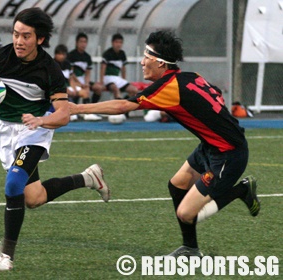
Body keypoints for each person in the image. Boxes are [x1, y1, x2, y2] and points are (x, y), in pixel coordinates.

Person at [70, 30, 260, 257]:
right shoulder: (191, 76)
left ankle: (241, 190)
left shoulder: (170, 87)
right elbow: (216, 93)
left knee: (186, 213)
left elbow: (123, 106)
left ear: (160, 62)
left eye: (146, 57)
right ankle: (190, 248)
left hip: (228, 154)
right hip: (211, 146)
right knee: (177, 184)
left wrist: (78, 108)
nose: (141, 62)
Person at [0, 7, 110, 271]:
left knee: (13, 186)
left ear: (40, 39)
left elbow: (64, 114)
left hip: (35, 130)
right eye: (16, 34)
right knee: (34, 198)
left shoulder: (50, 70)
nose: (19, 41)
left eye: (26, 36)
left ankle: (5, 256)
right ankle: (88, 177)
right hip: (5, 130)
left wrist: (41, 120)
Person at [67, 32, 105, 121]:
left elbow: (88, 73)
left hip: (83, 80)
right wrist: (79, 83)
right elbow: (70, 73)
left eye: (85, 42)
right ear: (76, 43)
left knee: (98, 88)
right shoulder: (71, 55)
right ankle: (84, 112)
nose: (83, 44)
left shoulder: (87, 57)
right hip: (73, 81)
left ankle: (92, 109)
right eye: (81, 42)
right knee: (83, 91)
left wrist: (87, 83)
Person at [53, 44, 87, 121]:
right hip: (57, 88)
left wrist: (74, 88)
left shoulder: (67, 64)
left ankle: (85, 112)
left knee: (84, 93)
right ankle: (69, 112)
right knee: (66, 93)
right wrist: (66, 89)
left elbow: (71, 78)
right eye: (60, 54)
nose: (61, 56)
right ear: (56, 54)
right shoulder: (52, 64)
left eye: (63, 54)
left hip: (68, 86)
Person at [100, 33, 138, 100]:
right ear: (112, 43)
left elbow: (123, 68)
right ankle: (119, 106)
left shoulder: (122, 54)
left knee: (134, 90)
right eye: (116, 42)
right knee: (116, 89)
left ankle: (125, 104)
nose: (118, 44)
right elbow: (103, 67)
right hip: (108, 78)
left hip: (117, 78)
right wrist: (101, 81)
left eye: (120, 42)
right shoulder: (107, 53)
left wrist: (123, 79)